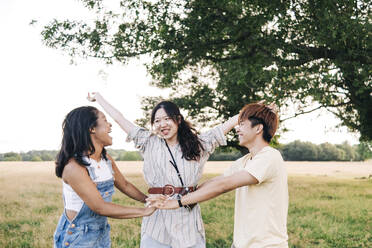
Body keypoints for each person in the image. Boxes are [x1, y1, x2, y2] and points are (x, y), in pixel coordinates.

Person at [87, 92, 238, 248]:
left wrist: (247, 113)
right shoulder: (148, 142)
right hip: (157, 217)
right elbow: (120, 118)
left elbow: (223, 128)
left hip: (187, 218)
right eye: (157, 121)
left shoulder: (199, 144)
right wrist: (99, 98)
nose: (162, 124)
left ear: (178, 120)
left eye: (167, 119)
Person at [150, 101, 289, 248]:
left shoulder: (270, 157)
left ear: (258, 128)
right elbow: (217, 181)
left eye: (242, 124)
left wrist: (178, 202)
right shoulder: (246, 160)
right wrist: (180, 193)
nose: (237, 129)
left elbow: (223, 185)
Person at [53, 106, 156, 248]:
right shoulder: (74, 167)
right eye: (105, 120)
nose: (110, 125)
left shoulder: (105, 159)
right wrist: (145, 211)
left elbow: (124, 184)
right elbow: (100, 207)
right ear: (92, 128)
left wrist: (149, 200)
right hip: (78, 236)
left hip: (101, 232)